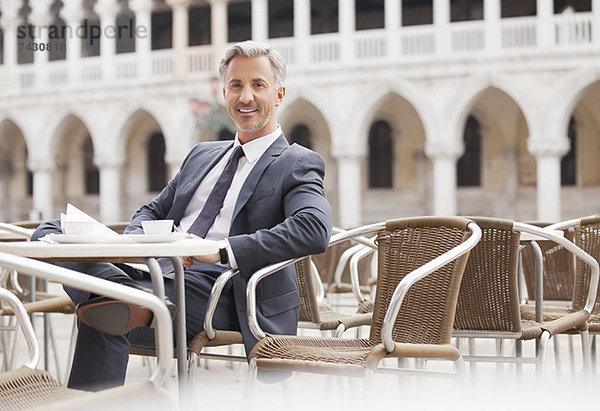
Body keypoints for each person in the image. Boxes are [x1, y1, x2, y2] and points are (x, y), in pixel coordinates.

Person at [32, 40, 333, 391]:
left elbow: (313, 229)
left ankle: (120, 297)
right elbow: (151, 211)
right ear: (224, 93)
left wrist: (219, 250)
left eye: (258, 85)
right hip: (156, 273)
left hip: (222, 290)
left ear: (279, 94)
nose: (245, 96)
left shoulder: (296, 162)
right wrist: (131, 251)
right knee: (51, 230)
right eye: (236, 85)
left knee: (103, 307)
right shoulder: (202, 155)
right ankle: (123, 293)